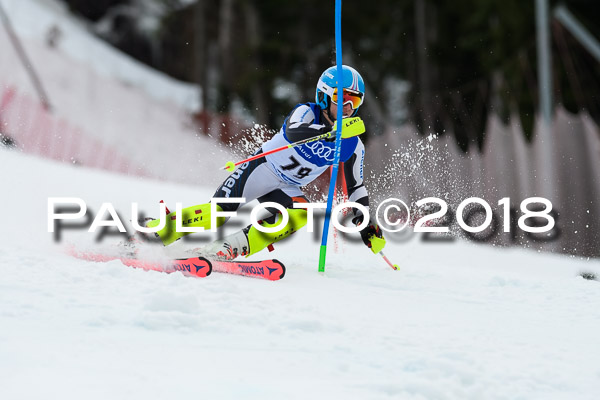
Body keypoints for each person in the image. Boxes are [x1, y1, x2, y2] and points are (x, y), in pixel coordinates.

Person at [147, 65, 385, 260]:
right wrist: (330, 133)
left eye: (354, 101)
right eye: (340, 98)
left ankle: (228, 248)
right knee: (219, 213)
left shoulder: (353, 144)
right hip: (262, 168)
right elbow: (293, 132)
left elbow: (356, 187)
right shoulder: (306, 113)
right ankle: (155, 232)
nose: (347, 107)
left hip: (286, 186)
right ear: (323, 96)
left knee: (300, 214)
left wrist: (364, 222)